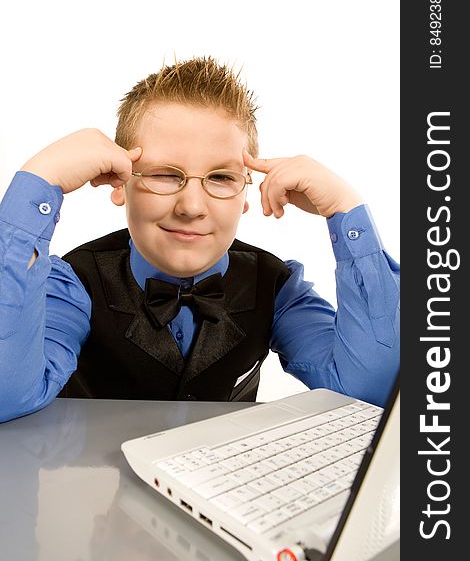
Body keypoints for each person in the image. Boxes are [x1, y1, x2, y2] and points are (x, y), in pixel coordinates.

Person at [0, 56, 399, 423]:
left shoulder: (277, 287)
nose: (192, 206)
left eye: (222, 178)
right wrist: (40, 179)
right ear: (118, 182)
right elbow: (7, 394)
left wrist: (346, 211)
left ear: (245, 193)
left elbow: (367, 394)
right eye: (163, 174)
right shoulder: (75, 282)